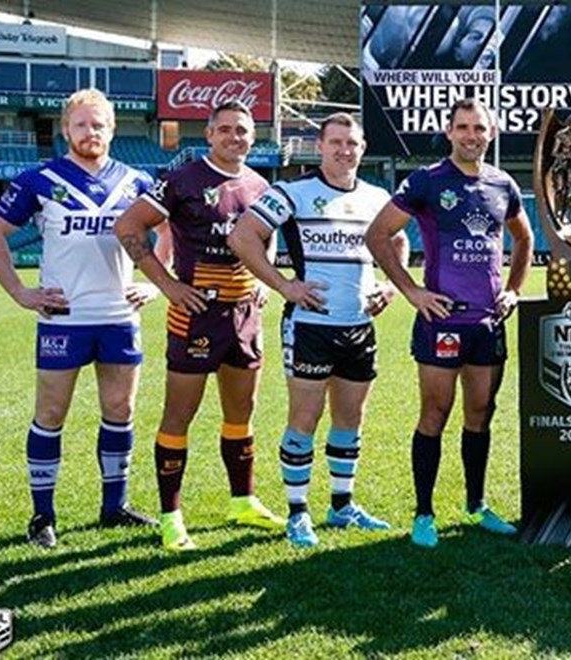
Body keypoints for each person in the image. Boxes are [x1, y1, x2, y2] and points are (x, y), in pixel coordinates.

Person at [0, 88, 158, 548]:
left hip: (119, 317)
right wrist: (20, 292)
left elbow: (171, 229)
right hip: (64, 318)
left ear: (112, 129)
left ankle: (114, 507)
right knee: (51, 413)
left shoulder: (136, 181)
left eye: (99, 124)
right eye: (81, 124)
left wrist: (156, 283)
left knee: (120, 410)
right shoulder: (39, 180)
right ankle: (43, 516)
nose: (90, 131)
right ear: (65, 129)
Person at [228, 113, 408, 548]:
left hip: (359, 325)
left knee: (350, 418)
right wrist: (284, 285)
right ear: (320, 146)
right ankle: (298, 512)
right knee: (304, 419)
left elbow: (398, 240)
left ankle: (342, 506)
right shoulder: (293, 192)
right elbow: (243, 237)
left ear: (363, 148)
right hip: (310, 326)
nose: (345, 150)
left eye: (352, 143)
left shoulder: (377, 197)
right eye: (336, 142)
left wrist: (389, 286)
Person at [114, 100, 285, 551]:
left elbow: (266, 237)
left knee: (241, 412)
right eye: (225, 129)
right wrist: (167, 285)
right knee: (179, 414)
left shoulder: (260, 185)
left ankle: (243, 501)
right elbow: (128, 225)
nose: (234, 137)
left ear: (253, 137)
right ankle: (171, 517)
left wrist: (263, 277)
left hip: (244, 314)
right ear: (209, 134)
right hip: (196, 313)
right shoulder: (182, 179)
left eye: (242, 130)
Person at [366, 98, 534, 549]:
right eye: (463, 127)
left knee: (481, 413)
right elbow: (378, 235)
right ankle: (424, 513)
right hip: (441, 321)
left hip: (487, 322)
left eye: (479, 128)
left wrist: (514, 289)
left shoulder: (502, 184)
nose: (471, 135)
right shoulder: (427, 180)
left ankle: (476, 505)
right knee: (435, 413)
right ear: (449, 131)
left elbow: (524, 238)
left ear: (491, 133)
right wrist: (412, 291)